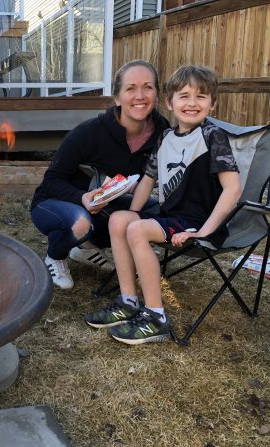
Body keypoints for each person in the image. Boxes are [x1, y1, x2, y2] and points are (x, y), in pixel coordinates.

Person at [84, 65, 242, 345]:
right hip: (172, 216)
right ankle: (128, 301)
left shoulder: (211, 137)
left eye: (201, 97)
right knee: (119, 220)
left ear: (212, 103)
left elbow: (232, 189)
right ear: (170, 102)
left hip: (199, 222)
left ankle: (156, 317)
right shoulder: (166, 137)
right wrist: (132, 212)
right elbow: (148, 178)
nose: (192, 103)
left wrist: (202, 233)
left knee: (137, 231)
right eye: (184, 96)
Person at [30, 60, 170, 290]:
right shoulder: (90, 132)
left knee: (155, 211)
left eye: (148, 87)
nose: (140, 95)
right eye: (130, 88)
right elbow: (52, 180)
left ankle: (85, 247)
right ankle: (55, 256)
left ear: (156, 93)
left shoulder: (162, 131)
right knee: (80, 222)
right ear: (117, 98)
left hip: (107, 202)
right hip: (56, 202)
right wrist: (82, 198)